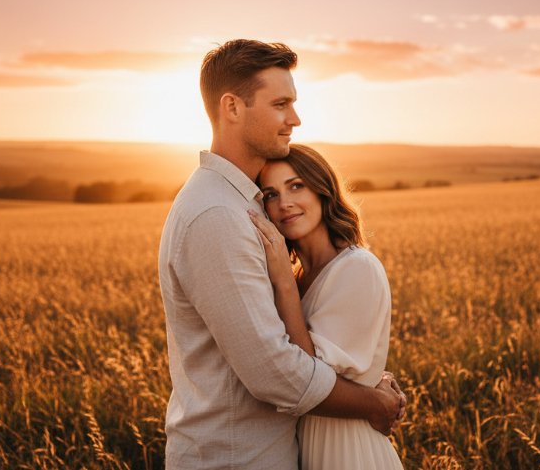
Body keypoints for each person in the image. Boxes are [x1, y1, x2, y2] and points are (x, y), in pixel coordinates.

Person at [158, 39, 405, 470]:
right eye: (280, 104)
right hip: (235, 459)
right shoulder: (217, 214)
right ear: (232, 107)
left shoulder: (242, 204)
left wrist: (363, 379)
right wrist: (370, 401)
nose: (295, 118)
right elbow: (273, 372)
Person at [251, 144, 404, 469]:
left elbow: (305, 374)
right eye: (271, 194)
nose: (285, 203)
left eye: (296, 186)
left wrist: (283, 282)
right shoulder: (296, 277)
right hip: (304, 447)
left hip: (349, 450)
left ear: (323, 190)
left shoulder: (357, 267)